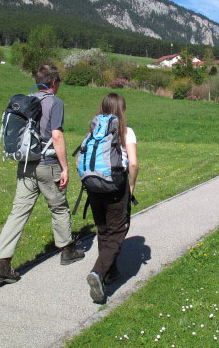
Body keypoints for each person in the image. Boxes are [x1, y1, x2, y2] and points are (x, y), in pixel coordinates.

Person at [0, 64, 84, 284]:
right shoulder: (55, 102)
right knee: (59, 207)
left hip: (25, 164)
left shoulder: (27, 100)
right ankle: (67, 250)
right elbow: (57, 136)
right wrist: (65, 168)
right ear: (53, 82)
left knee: (18, 212)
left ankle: (1, 263)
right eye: (59, 81)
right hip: (48, 164)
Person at [86, 93, 138, 303]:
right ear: (122, 110)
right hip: (115, 185)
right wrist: (131, 185)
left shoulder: (94, 130)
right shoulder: (126, 132)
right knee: (117, 231)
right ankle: (98, 273)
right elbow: (132, 163)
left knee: (103, 229)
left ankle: (110, 271)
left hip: (93, 185)